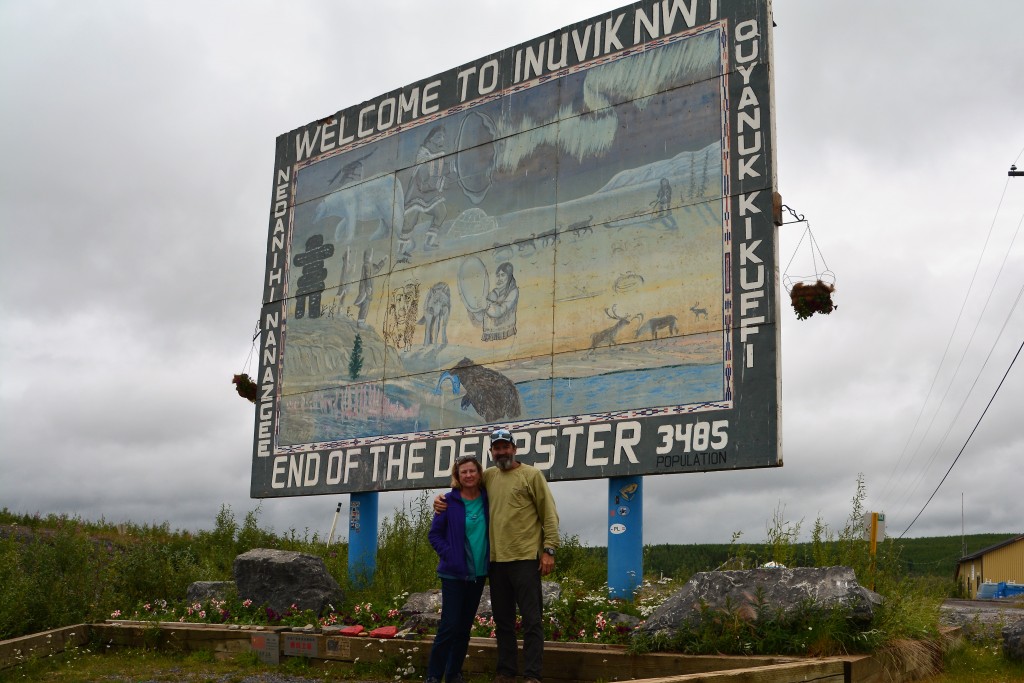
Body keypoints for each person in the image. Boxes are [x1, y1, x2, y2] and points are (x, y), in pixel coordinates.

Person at [435, 427, 560, 683]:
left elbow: (549, 513)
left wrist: (549, 550)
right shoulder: (489, 476)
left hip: (526, 558)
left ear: (514, 448)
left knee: (532, 620)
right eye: (497, 448)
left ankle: (533, 675)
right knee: (503, 621)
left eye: (506, 446)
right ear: (491, 452)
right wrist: (441, 500)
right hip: (495, 562)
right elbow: (463, 487)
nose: (501, 451)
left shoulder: (532, 475)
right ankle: (505, 672)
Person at [425, 455, 490, 683]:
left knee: (464, 628)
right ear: (457, 475)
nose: (469, 475)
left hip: (479, 573)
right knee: (449, 626)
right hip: (453, 573)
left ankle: (453, 674)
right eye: (464, 472)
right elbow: (434, 535)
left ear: (479, 474)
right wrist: (450, 553)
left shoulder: (487, 500)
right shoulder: (448, 501)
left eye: (472, 471)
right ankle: (433, 675)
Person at [482, 262, 519, 342]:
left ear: (509, 277)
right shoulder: (495, 292)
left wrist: (486, 306)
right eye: (498, 275)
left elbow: (501, 311)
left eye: (503, 275)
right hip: (491, 337)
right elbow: (486, 302)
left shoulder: (513, 292)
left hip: (506, 337)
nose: (499, 279)